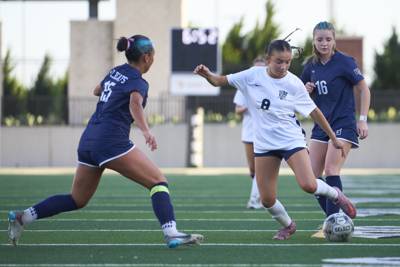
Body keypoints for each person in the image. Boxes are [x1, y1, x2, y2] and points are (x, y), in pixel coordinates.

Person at [7, 35, 203, 248]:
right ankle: (171, 232)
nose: (153, 59)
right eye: (153, 55)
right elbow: (135, 104)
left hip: (88, 141)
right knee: (157, 182)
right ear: (146, 57)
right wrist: (146, 131)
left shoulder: (115, 71)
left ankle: (22, 217)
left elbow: (97, 90)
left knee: (77, 199)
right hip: (111, 142)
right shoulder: (138, 81)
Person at [194, 39, 357, 240]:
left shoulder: (293, 82)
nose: (283, 67)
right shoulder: (251, 75)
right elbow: (220, 80)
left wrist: (333, 137)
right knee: (267, 199)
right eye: (279, 61)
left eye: (288, 62)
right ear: (268, 59)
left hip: (291, 140)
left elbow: (314, 112)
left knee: (308, 184)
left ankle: (336, 195)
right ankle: (288, 225)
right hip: (264, 144)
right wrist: (207, 75)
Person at [300, 21, 370, 236]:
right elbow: (299, 98)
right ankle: (336, 215)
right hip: (321, 126)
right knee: (310, 179)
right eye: (320, 39)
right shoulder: (309, 66)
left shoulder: (345, 62)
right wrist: (305, 90)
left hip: (343, 124)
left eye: (328, 39)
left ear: (334, 41)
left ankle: (332, 221)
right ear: (314, 40)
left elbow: (363, 89)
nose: (324, 43)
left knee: (331, 170)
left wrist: (362, 119)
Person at [233, 56, 266, 209]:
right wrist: (250, 105)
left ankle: (256, 199)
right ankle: (259, 196)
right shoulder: (244, 86)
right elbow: (237, 109)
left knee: (262, 168)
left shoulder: (269, 85)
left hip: (265, 132)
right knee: (253, 170)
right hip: (248, 133)